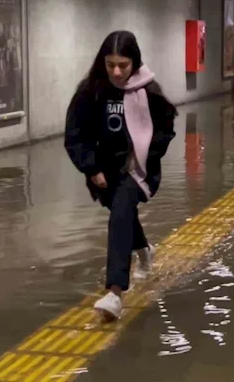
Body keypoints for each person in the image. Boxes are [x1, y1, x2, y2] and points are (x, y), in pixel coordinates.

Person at [64, 31, 177, 322]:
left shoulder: (149, 91)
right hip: (104, 170)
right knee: (121, 211)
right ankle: (144, 250)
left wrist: (144, 157)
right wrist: (91, 168)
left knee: (120, 213)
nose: (116, 71)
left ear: (134, 63)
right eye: (110, 64)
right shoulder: (91, 91)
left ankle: (115, 292)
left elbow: (166, 129)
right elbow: (75, 135)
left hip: (138, 169)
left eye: (123, 65)